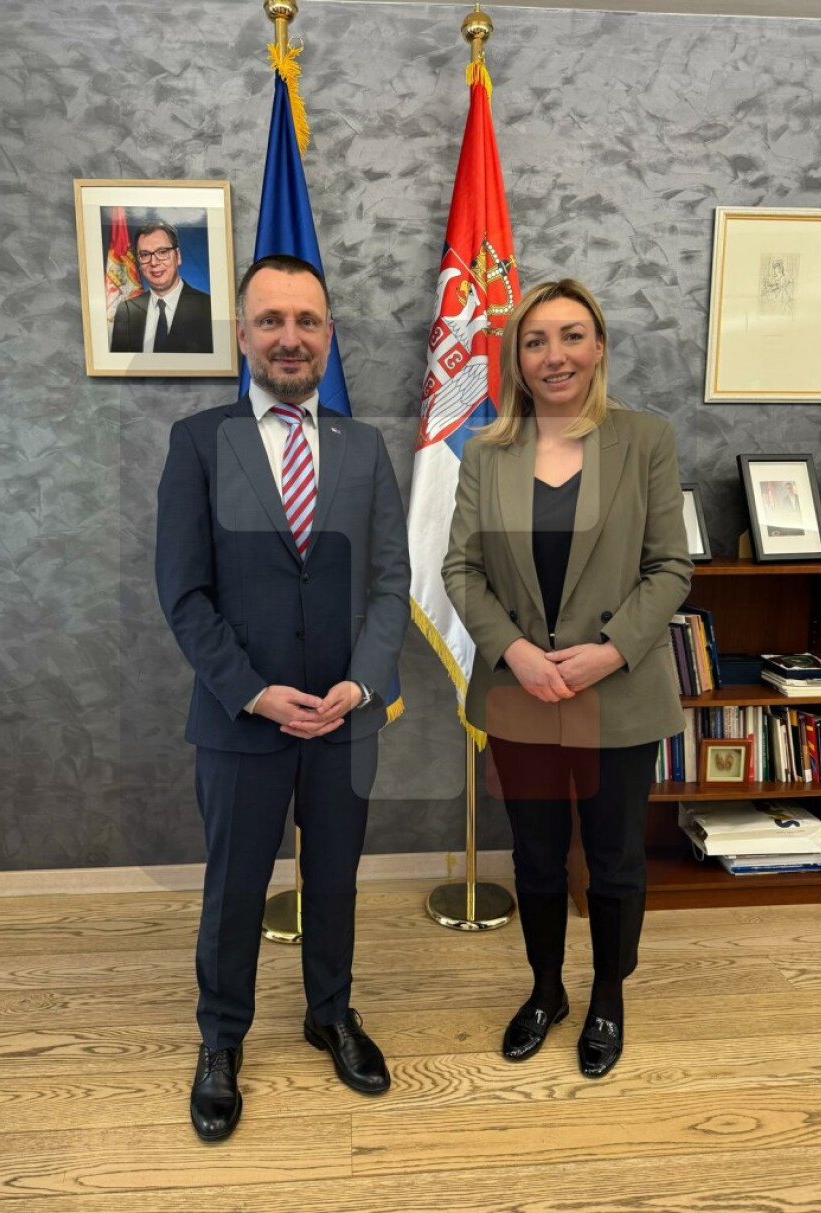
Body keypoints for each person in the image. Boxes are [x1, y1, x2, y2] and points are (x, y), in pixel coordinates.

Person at [156, 254, 410, 1140]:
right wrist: (256, 692)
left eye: (307, 320)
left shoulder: (364, 447)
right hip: (241, 720)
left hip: (344, 718)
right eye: (271, 320)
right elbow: (184, 593)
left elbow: (390, 582)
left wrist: (362, 682)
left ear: (329, 335)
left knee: (334, 877)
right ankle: (221, 1039)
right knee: (235, 887)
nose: (290, 337)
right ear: (243, 334)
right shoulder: (198, 442)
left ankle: (330, 1013)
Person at [442, 279, 691, 1079]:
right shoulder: (487, 451)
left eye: (572, 335)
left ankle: (607, 994)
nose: (555, 355)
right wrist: (513, 650)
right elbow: (462, 568)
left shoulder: (646, 440)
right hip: (522, 689)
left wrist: (610, 651)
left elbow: (671, 566)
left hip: (614, 689)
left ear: (600, 346)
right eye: (536, 339)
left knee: (614, 858)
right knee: (537, 857)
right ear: (516, 357)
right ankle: (546, 989)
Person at [111, 221, 213, 353]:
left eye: (162, 252)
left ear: (178, 256)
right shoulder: (126, 312)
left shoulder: (208, 308)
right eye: (145, 255)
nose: (154, 262)